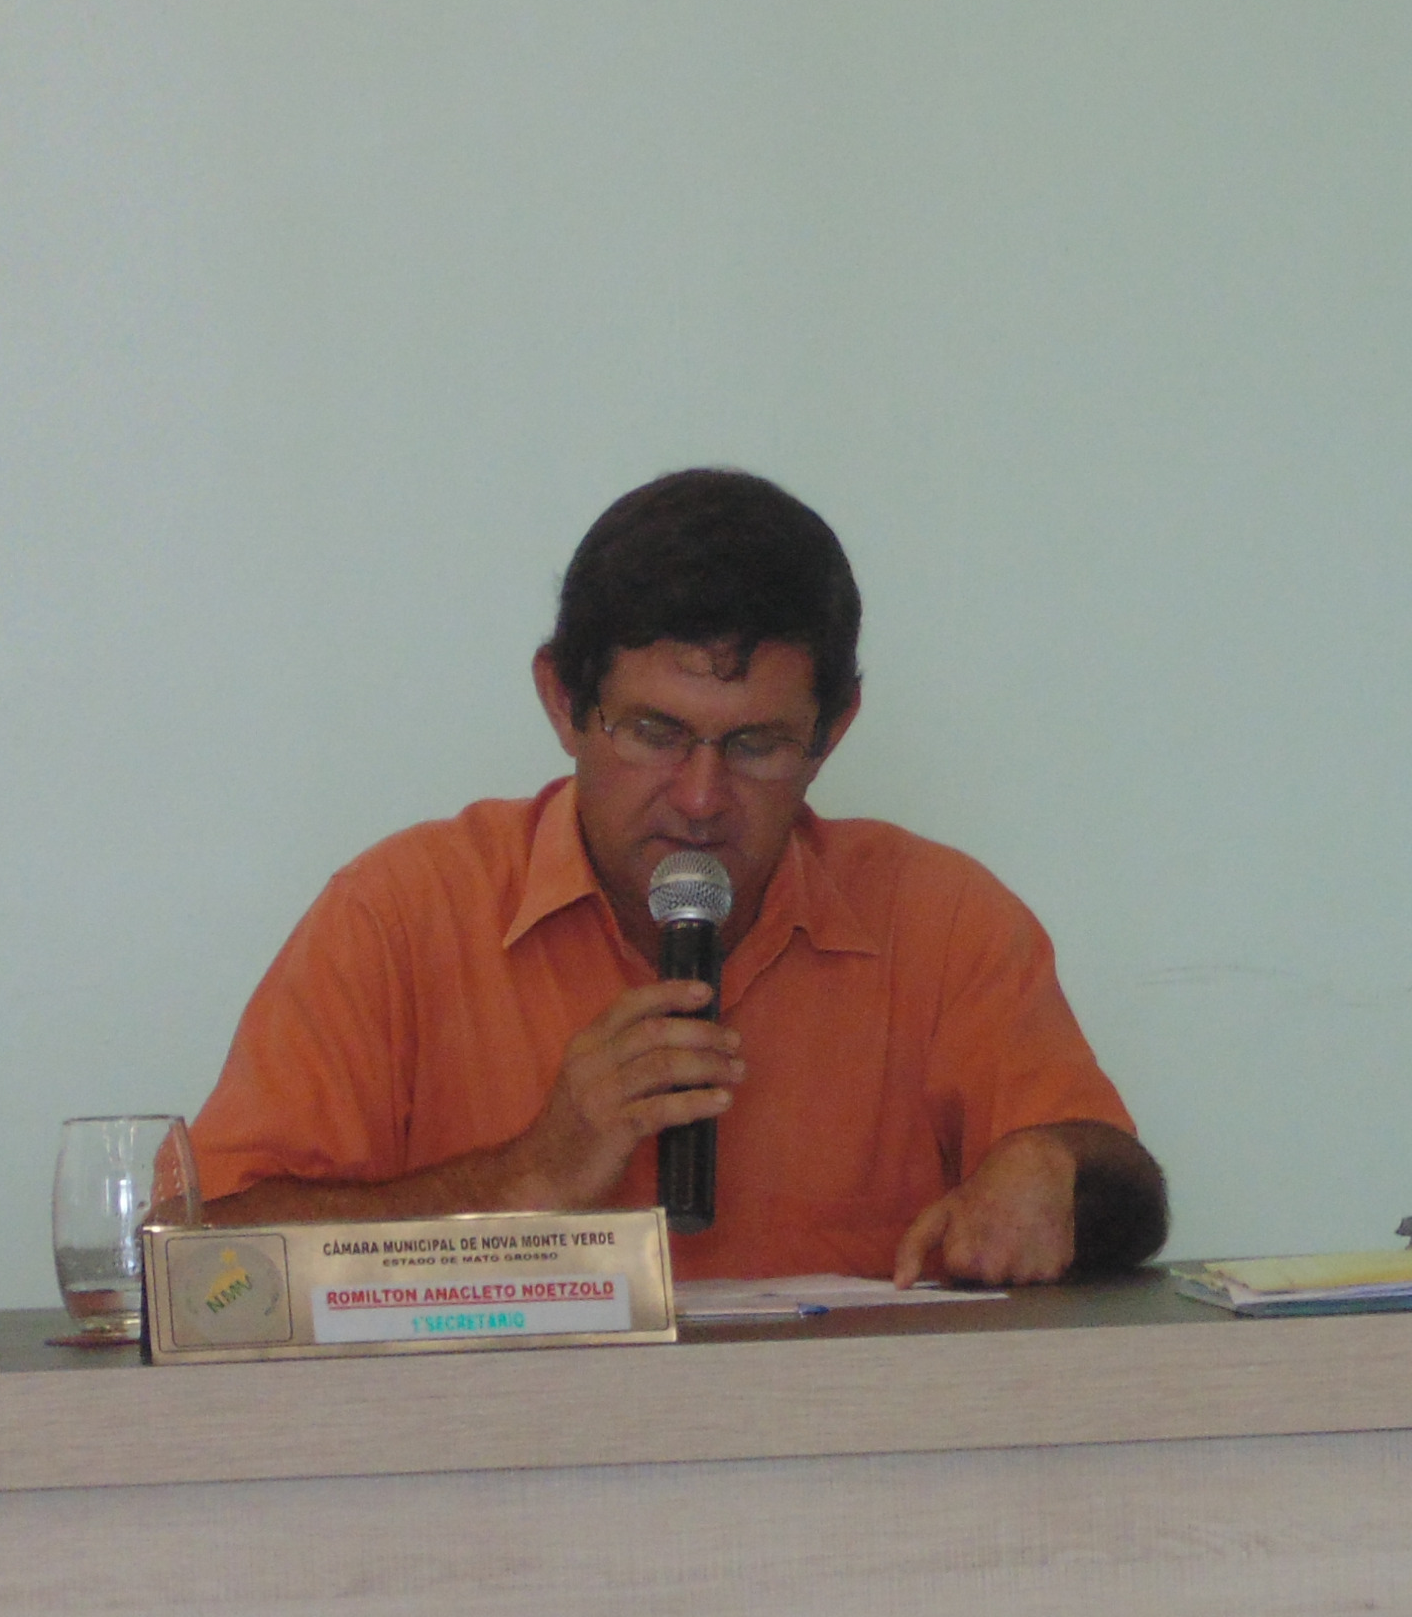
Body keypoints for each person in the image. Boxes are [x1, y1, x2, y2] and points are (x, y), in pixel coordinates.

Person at [194, 469, 1167, 1283]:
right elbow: (205, 1259)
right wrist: (525, 1179)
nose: (701, 800)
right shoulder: (401, 916)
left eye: (756, 745)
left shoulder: (942, 922)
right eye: (655, 733)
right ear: (562, 701)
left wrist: (1052, 1169)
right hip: (491, 1453)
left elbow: (1126, 1189)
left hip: (835, 1453)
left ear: (832, 733)